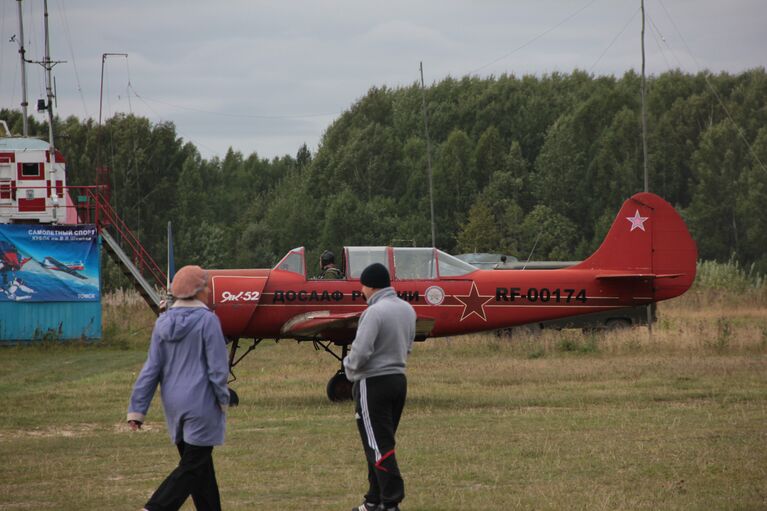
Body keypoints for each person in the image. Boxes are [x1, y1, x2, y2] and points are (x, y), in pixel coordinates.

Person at [127, 265, 231, 511]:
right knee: (192, 467)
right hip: (202, 405)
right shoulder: (208, 321)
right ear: (198, 291)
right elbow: (218, 368)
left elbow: (151, 370)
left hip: (174, 407)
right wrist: (223, 398)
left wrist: (137, 411)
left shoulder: (162, 323)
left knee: (201, 470)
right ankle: (155, 507)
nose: (208, 291)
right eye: (206, 286)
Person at [343, 262, 417, 511]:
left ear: (371, 285)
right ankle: (373, 500)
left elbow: (361, 351)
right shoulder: (407, 309)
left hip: (372, 382)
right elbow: (408, 346)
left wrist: (349, 368)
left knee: (377, 444)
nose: (361, 291)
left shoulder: (374, 312)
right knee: (380, 440)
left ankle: (391, 501)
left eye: (363, 285)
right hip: (398, 379)